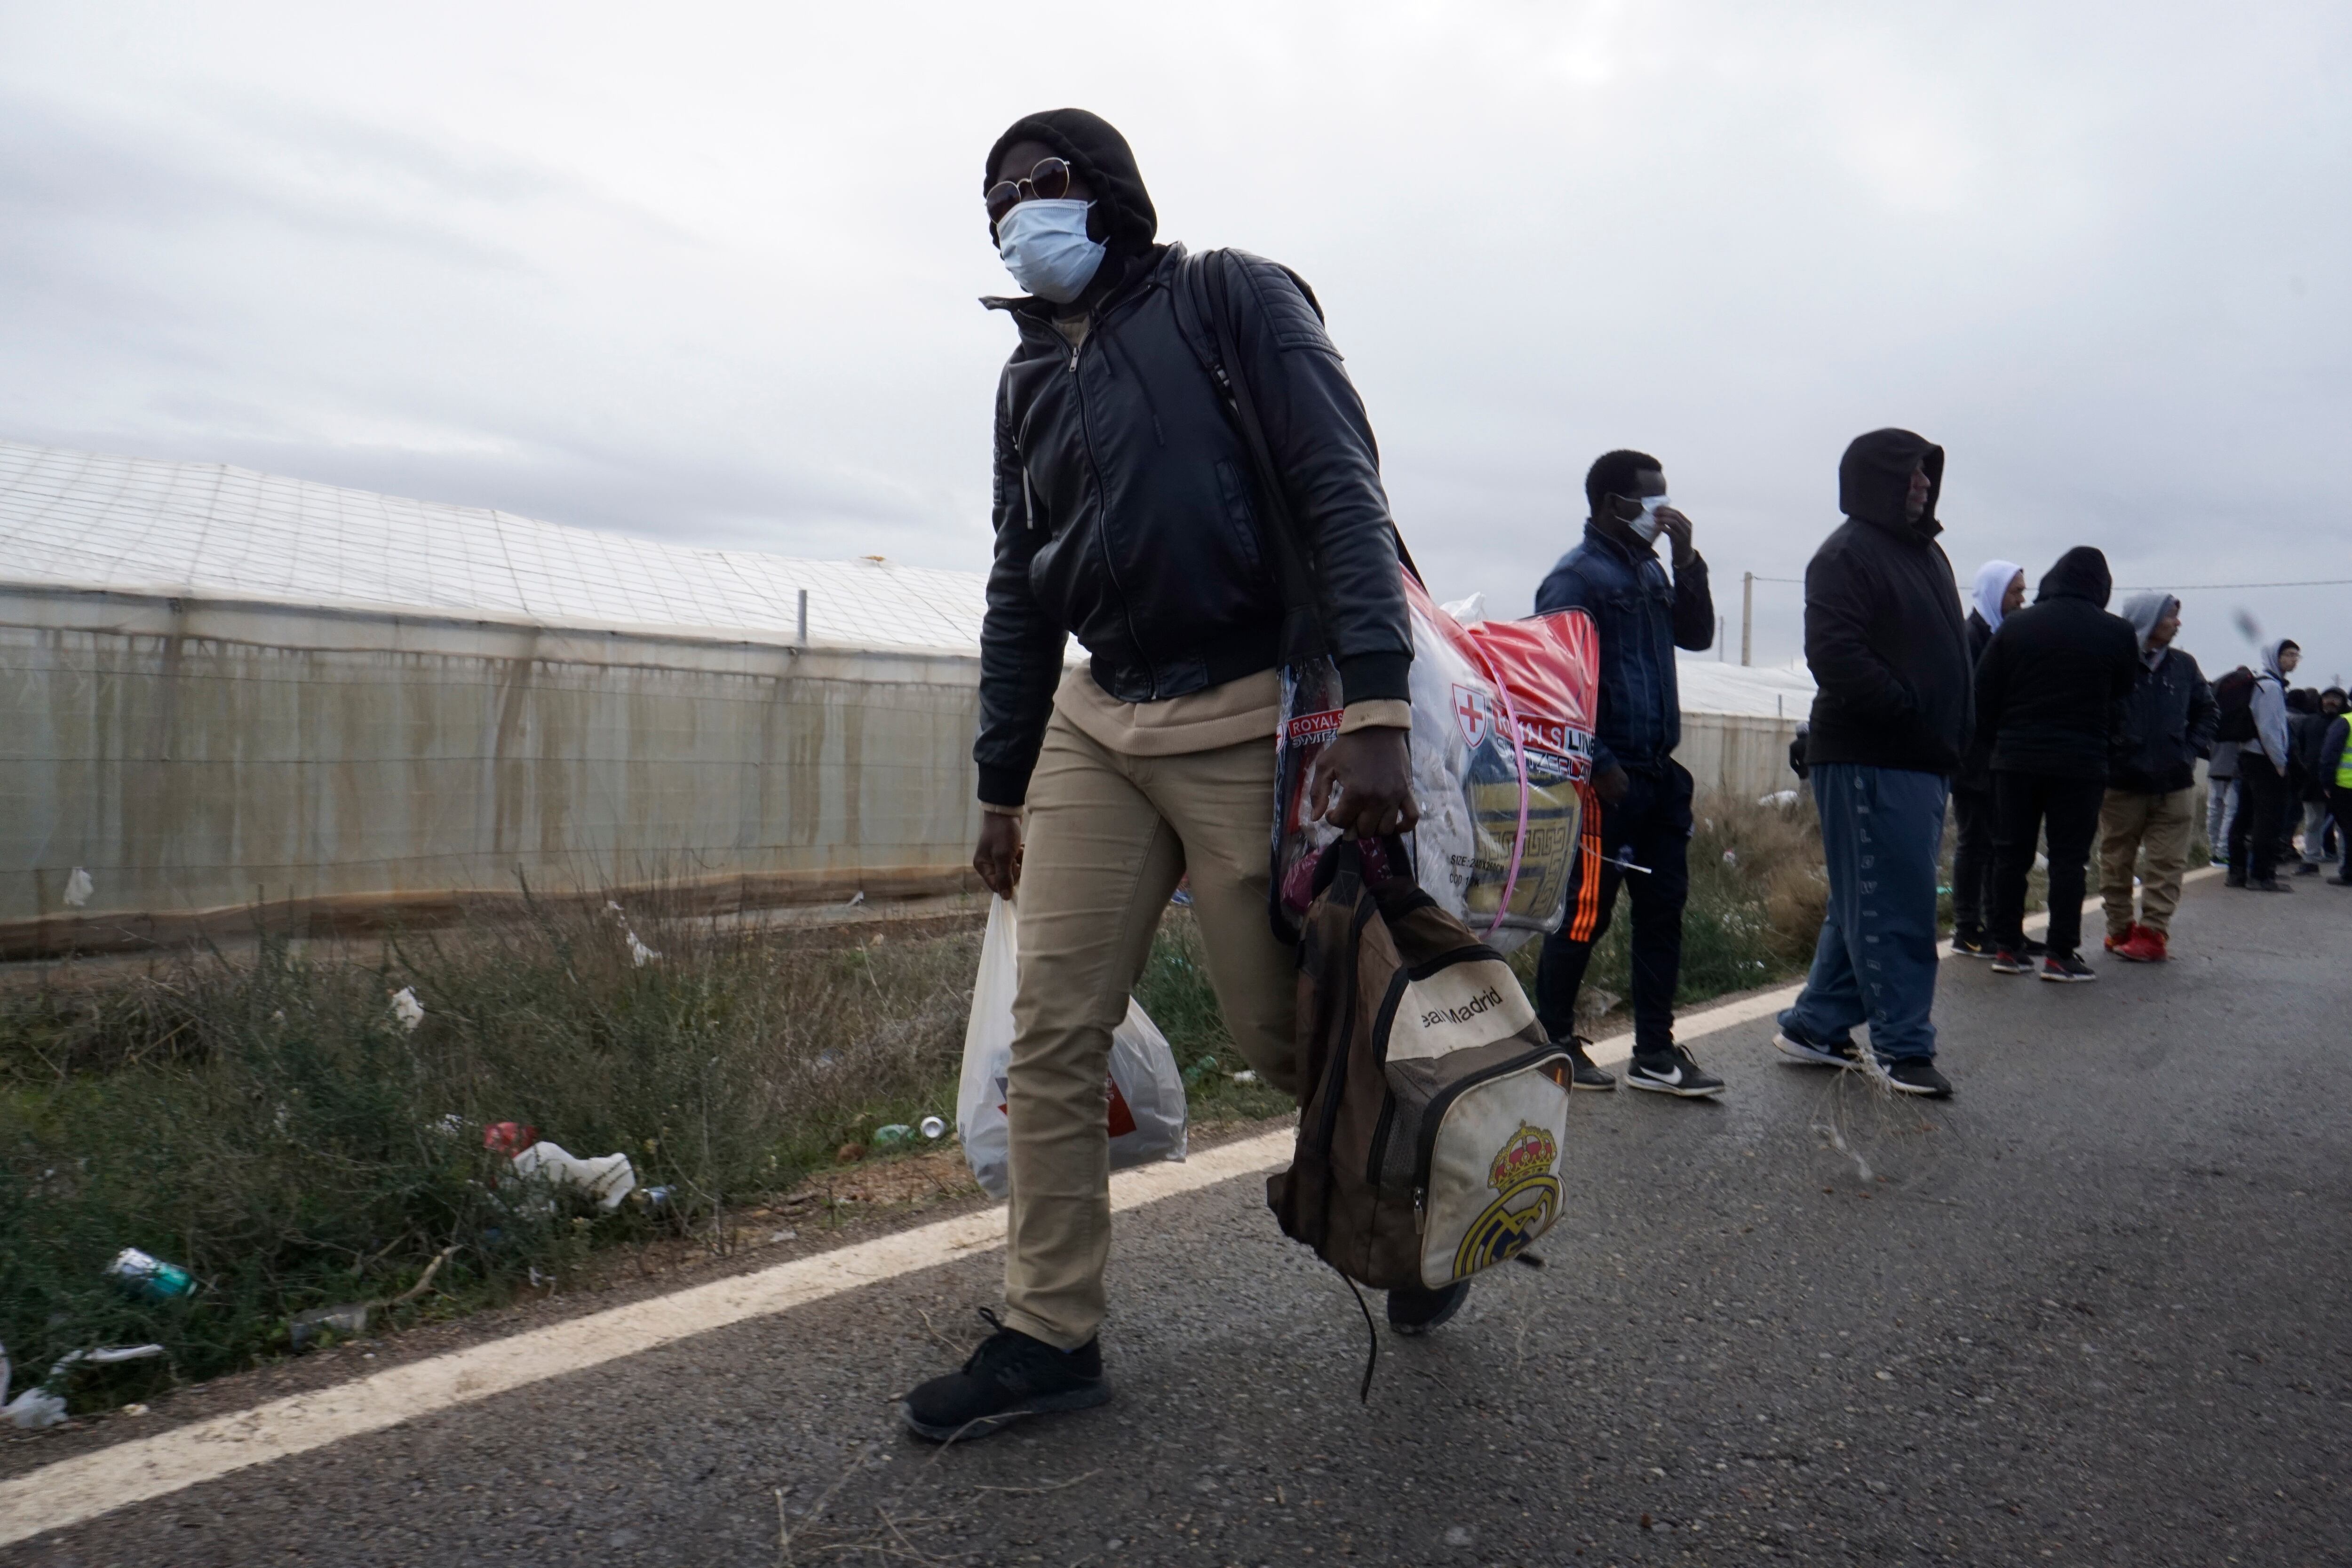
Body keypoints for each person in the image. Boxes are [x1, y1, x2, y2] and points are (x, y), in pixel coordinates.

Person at [903, 109, 1426, 1442]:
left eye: (1045, 182)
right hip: (1098, 716)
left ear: (1114, 193)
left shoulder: (1226, 298)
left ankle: (1433, 1202)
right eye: (997, 197)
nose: (1021, 210)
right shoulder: (1025, 379)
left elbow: (1336, 484)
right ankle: (1048, 1329)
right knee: (1053, 1026)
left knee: (1284, 1032)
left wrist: (1374, 696)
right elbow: (1022, 586)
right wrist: (1000, 779)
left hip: (1252, 703)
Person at [1771, 430, 1971, 1098]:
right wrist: (1909, 711)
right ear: (1874, 481)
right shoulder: (1847, 554)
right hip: (1872, 753)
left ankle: (1815, 1026)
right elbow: (1835, 654)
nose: (1922, 485)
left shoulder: (1926, 554)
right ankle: (1903, 1046)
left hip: (1918, 757)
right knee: (1896, 905)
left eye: (1926, 474)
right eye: (1910, 475)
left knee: (1868, 898)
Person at [1530, 450, 1719, 1097]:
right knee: (1586, 916)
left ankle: (1656, 1053)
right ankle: (1551, 1042)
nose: (1661, 513)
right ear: (1613, 505)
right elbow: (1550, 686)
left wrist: (1689, 563)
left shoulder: (1653, 573)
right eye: (1649, 502)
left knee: (1663, 910)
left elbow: (1696, 636)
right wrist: (1598, 764)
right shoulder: (1575, 579)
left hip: (1660, 776)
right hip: (1602, 782)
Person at [1975, 548, 2139, 981]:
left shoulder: (2016, 626)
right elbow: (2124, 689)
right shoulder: (2117, 632)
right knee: (2070, 859)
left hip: (2015, 758)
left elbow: (1984, 691)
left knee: (2011, 853)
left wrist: (2000, 742)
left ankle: (2007, 947)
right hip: (2081, 760)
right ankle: (2060, 954)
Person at [2097, 593, 2217, 962]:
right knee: (2117, 859)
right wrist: (2114, 751)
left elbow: (2207, 711)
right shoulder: (2113, 662)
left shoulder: (2184, 666)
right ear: (2148, 620)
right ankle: (2119, 929)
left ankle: (2153, 933)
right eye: (2171, 617)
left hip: (2174, 782)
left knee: (2168, 862)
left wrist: (2189, 750)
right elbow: (2095, 712)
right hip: (2123, 782)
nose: (2178, 624)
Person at [1950, 559, 2026, 957]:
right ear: (1996, 593)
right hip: (1974, 761)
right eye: (2016, 592)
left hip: (1997, 760)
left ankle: (1999, 925)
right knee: (1975, 844)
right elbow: (1974, 700)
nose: (2022, 599)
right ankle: (1967, 927)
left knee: (1998, 847)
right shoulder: (1972, 635)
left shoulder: (1999, 633)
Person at [2226, 639, 2300, 891]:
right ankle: (2261, 875)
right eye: (2289, 655)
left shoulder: (2263, 684)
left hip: (2251, 758)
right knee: (2268, 819)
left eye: (2296, 656)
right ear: (2275, 657)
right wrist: (2280, 762)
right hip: (2264, 760)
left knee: (2245, 815)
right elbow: (2270, 730)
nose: (2294, 660)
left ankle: (2237, 873)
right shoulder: (2270, 687)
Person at [2288, 687, 2344, 874]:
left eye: (2336, 699)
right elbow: (2299, 748)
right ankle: (2310, 860)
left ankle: (2346, 865)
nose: (2331, 702)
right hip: (2313, 782)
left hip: (2343, 783)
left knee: (2345, 825)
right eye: (2328, 698)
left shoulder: (2346, 723)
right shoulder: (2309, 722)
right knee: (2313, 822)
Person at [2320, 698, 2352, 887]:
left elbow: (2329, 754)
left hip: (2345, 786)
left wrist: (2326, 783)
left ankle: (2349, 873)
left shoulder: (2345, 722)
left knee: (2349, 832)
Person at [2205, 733, 2241, 869]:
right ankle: (2223, 853)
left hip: (2215, 767)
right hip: (2234, 769)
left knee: (2214, 810)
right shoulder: (2239, 715)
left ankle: (2214, 851)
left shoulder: (2214, 716)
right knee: (2231, 812)